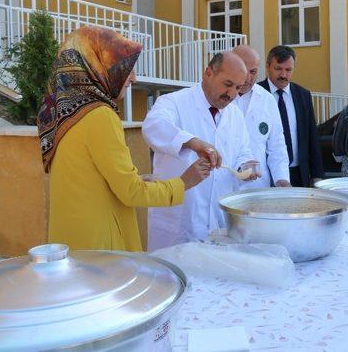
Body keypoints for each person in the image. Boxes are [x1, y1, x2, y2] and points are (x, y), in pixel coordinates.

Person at [38, 26, 210, 252]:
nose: (133, 78)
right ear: (98, 67)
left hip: (73, 238)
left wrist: (140, 179)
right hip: (100, 249)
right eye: (126, 68)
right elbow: (131, 192)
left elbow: (86, 176)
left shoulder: (65, 114)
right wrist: (185, 182)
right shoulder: (99, 116)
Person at [142, 52, 259, 251]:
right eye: (227, 84)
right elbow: (153, 126)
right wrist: (192, 142)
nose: (231, 94)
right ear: (208, 73)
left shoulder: (235, 114)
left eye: (238, 88)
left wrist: (245, 165)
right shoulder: (174, 102)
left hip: (218, 221)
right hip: (178, 221)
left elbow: (242, 150)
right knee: (174, 277)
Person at [258, 45, 324, 187]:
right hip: (266, 176)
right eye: (278, 69)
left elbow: (312, 136)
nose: (283, 75)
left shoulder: (303, 95)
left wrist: (317, 175)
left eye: (288, 70)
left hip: (299, 174)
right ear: (268, 66)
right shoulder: (256, 95)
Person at [233, 45, 291, 188]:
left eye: (253, 72)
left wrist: (281, 178)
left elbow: (276, 145)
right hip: (224, 184)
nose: (248, 77)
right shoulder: (219, 99)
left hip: (257, 187)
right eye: (243, 71)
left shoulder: (267, 99)